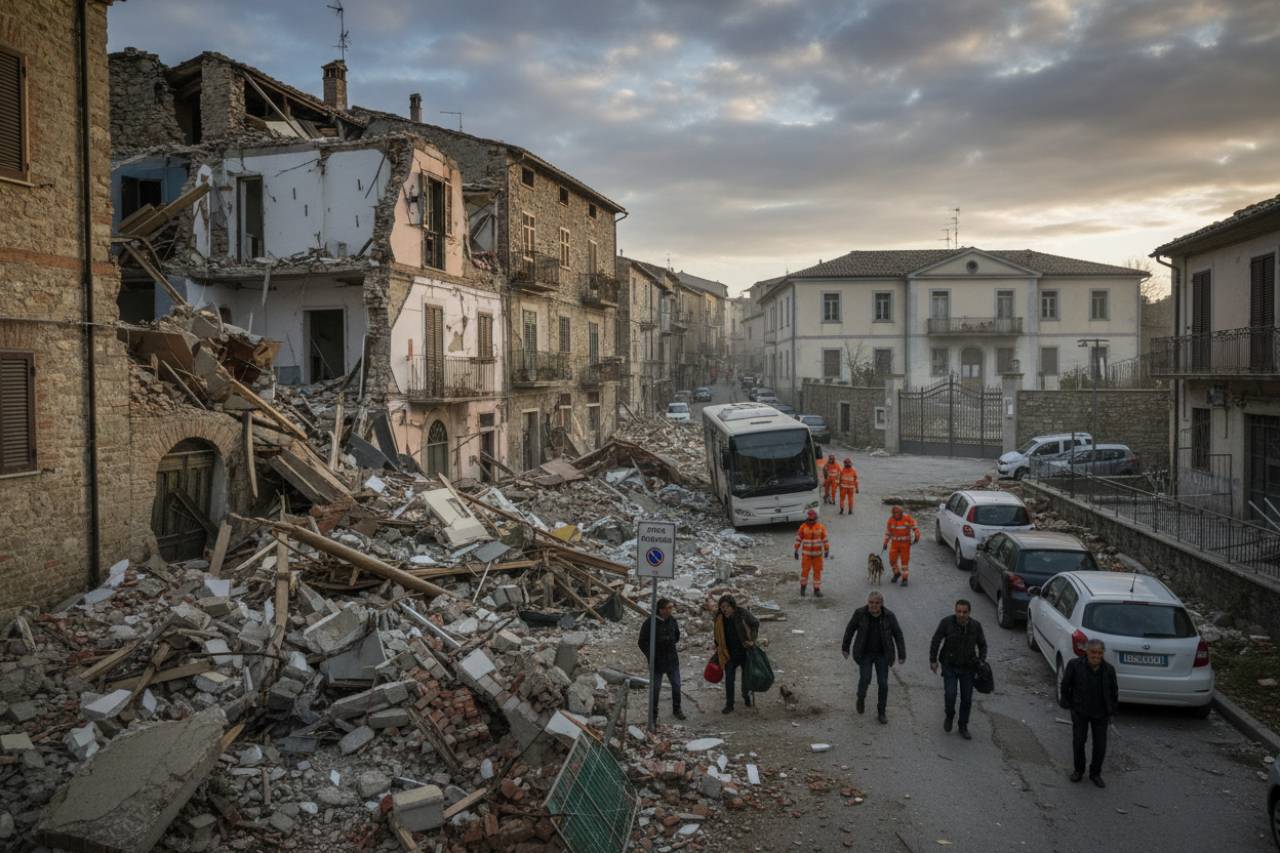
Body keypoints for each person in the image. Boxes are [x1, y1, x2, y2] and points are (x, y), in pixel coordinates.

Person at [1059, 638, 1119, 788]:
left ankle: (1095, 773)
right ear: (1087, 652)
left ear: (1103, 653)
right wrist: (1068, 705)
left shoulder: (1109, 670)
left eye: (1099, 653)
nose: (1096, 656)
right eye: (1093, 652)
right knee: (1079, 742)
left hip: (1101, 714)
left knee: (1100, 746)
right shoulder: (1074, 665)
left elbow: (1114, 692)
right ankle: (1079, 770)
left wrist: (1111, 712)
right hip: (1080, 711)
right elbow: (1065, 685)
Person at [840, 591, 906, 724]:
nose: (873, 605)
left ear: (881, 604)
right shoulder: (860, 614)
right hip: (864, 653)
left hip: (883, 654)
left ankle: (881, 712)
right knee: (866, 678)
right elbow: (850, 630)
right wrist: (845, 647)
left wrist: (901, 654)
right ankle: (861, 697)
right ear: (867, 602)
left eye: (877, 603)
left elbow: (898, 634)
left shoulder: (889, 616)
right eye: (871, 602)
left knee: (883, 683)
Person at [928, 599, 988, 739]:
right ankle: (949, 715)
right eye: (958, 611)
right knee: (950, 694)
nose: (961, 615)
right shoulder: (946, 623)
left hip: (968, 667)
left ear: (969, 613)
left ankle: (963, 725)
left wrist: (981, 662)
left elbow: (982, 645)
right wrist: (933, 660)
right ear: (955, 611)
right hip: (949, 665)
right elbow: (936, 640)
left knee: (966, 699)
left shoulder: (975, 626)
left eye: (964, 612)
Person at [638, 597, 685, 721]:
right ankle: (653, 714)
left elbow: (677, 636)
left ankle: (677, 709)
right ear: (661, 610)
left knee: (676, 685)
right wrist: (651, 655)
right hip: (657, 662)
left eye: (671, 607)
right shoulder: (650, 622)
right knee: (655, 689)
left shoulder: (672, 620)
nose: (671, 610)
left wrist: (670, 642)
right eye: (668, 608)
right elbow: (642, 642)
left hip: (671, 661)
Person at [713, 595, 760, 714]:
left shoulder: (742, 613)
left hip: (745, 651)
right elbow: (717, 633)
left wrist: (752, 640)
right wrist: (717, 645)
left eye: (726, 607)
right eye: (722, 607)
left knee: (746, 677)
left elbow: (755, 623)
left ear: (732, 606)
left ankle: (746, 696)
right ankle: (729, 704)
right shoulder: (719, 618)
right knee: (729, 679)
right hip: (729, 653)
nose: (724, 610)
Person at [794, 509, 830, 597]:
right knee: (804, 572)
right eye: (809, 520)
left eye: (812, 520)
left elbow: (825, 539)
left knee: (817, 572)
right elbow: (798, 539)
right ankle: (803, 589)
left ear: (816, 519)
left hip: (817, 555)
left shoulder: (821, 527)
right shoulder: (803, 527)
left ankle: (816, 590)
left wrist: (827, 550)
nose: (811, 522)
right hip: (806, 555)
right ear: (806, 519)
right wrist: (796, 550)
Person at [882, 505, 921, 587]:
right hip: (894, 543)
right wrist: (885, 543)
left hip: (905, 544)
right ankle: (896, 573)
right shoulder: (891, 520)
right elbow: (888, 533)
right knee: (892, 560)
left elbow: (915, 527)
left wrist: (917, 536)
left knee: (904, 563)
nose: (895, 514)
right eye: (893, 513)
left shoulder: (907, 518)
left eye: (896, 513)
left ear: (900, 513)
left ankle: (904, 579)